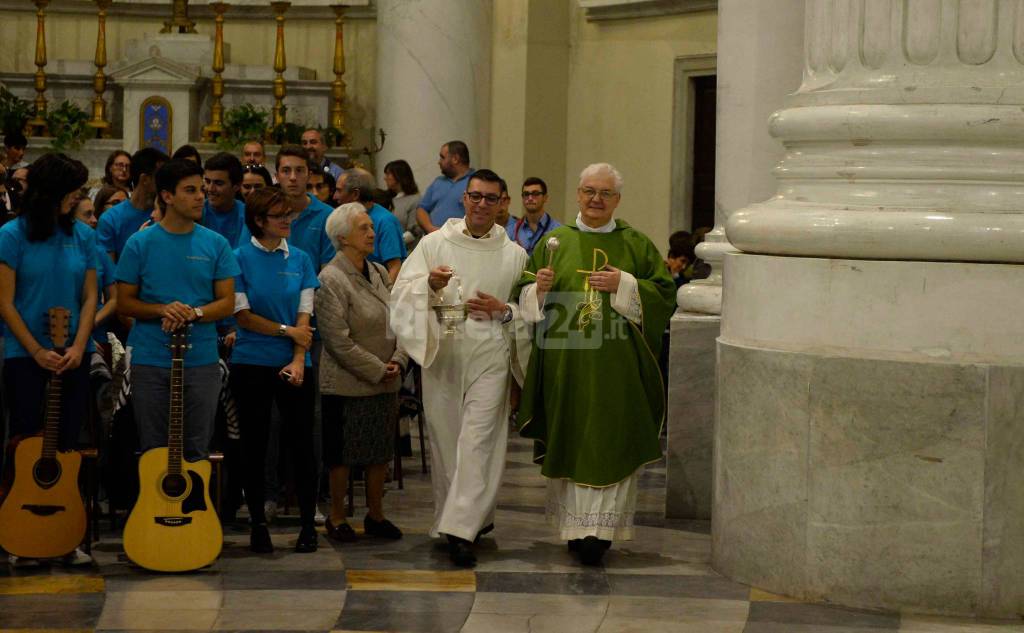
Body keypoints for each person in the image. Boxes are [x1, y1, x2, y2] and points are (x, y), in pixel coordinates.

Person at [515, 162, 676, 566]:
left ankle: (600, 532)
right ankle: (575, 528)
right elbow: (523, 292)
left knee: (610, 439)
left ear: (617, 199)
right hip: (565, 363)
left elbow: (664, 294)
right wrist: (539, 288)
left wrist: (624, 282)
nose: (596, 200)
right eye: (589, 191)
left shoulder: (636, 244)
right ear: (578, 194)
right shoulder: (555, 241)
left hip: (616, 366)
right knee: (571, 437)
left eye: (605, 193)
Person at [390, 168, 528, 567]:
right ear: (464, 199)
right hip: (444, 350)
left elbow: (532, 311)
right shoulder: (434, 244)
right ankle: (468, 519)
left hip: (491, 353)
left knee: (478, 441)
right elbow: (400, 293)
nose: (481, 204)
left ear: (503, 204)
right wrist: (428, 286)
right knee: (448, 442)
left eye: (490, 198)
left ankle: (459, 531)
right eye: (475, 196)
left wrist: (504, 310)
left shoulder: (515, 255)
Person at [0, 153, 97, 566]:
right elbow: (5, 301)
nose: (77, 198)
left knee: (67, 444)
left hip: (75, 353)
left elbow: (91, 296)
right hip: (24, 353)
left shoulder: (83, 235)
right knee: (25, 439)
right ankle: (23, 534)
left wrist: (78, 345)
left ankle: (65, 533)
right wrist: (36, 349)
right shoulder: (12, 234)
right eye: (72, 192)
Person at [115, 159, 239, 461]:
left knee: (197, 449)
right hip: (151, 359)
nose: (201, 196)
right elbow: (125, 302)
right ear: (167, 196)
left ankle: (194, 510)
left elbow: (227, 302)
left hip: (202, 360)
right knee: (154, 451)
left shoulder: (216, 243)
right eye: (191, 190)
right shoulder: (139, 243)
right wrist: (163, 309)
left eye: (203, 189)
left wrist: (193, 313)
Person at [229, 187, 320, 554]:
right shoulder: (237, 259)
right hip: (251, 361)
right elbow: (243, 316)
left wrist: (298, 358)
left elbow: (305, 315)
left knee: (302, 444)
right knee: (254, 443)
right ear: (259, 220)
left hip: (295, 361)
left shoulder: (300, 259)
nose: (287, 220)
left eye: (289, 214)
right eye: (280, 215)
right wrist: (286, 332)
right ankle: (257, 523)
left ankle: (307, 525)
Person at [318, 202, 407, 543]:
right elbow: (337, 340)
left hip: (386, 377)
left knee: (379, 450)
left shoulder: (380, 272)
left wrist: (398, 361)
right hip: (346, 382)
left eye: (371, 227)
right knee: (342, 453)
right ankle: (337, 516)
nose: (372, 233)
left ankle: (376, 514)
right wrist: (376, 368)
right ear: (342, 237)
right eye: (363, 228)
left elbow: (399, 320)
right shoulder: (331, 278)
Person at [97, 147, 168, 262]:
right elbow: (108, 271)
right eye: (161, 177)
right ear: (145, 179)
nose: (166, 182)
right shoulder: (110, 219)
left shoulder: (166, 214)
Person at [336, 168, 406, 283]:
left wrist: (381, 297)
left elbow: (395, 268)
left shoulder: (385, 221)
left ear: (355, 194)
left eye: (339, 191)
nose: (335, 196)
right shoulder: (345, 218)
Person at [73, 196, 117, 347]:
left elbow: (114, 299)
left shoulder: (99, 253)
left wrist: (92, 321)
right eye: (87, 214)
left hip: (97, 332)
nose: (94, 220)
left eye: (94, 214)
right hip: (64, 330)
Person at [415, 141, 474, 234]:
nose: (439, 162)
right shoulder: (438, 182)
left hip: (460, 241)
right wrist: (430, 228)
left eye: (442, 157)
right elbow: (421, 209)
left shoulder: (475, 182)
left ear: (455, 159)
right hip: (433, 239)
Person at [201, 152, 246, 248]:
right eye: (208, 181)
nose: (210, 189)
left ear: (237, 185)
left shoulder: (247, 216)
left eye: (218, 183)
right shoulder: (197, 212)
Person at [510, 177, 560, 255]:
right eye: (526, 194)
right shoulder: (511, 231)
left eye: (535, 194)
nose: (530, 198)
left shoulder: (557, 230)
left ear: (545, 198)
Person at [383, 159, 422, 248]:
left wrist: (392, 244)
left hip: (404, 251)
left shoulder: (415, 200)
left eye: (388, 174)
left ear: (399, 176)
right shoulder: (386, 198)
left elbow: (414, 231)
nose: (385, 178)